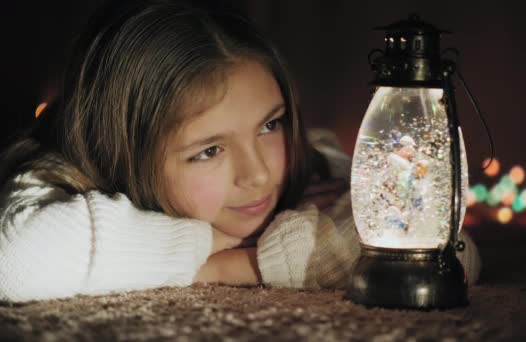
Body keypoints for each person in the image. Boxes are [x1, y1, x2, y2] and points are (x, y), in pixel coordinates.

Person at [0, 0, 480, 303]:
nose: (257, 174)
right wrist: (208, 255)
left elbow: (451, 253)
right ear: (125, 152)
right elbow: (15, 262)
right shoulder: (62, 176)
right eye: (209, 151)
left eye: (269, 124)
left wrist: (271, 260)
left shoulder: (312, 162)